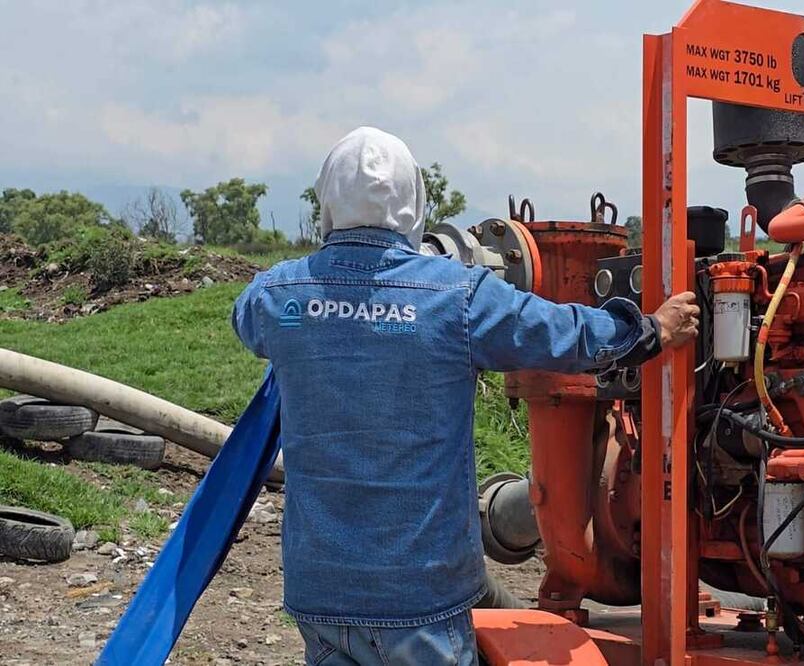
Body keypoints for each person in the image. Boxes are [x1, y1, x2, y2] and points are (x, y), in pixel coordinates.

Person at [231, 127, 699, 666]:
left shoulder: (279, 296)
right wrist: (651, 330)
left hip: (322, 592)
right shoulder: (456, 294)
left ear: (328, 202)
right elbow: (560, 333)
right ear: (413, 204)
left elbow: (246, 317)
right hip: (422, 595)